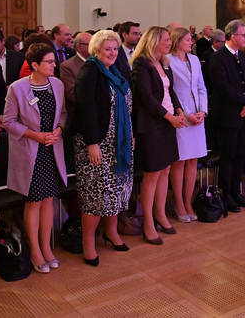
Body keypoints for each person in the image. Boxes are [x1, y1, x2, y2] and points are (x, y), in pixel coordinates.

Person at [3, 43, 67, 273]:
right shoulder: (17, 88)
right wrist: (35, 135)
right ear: (35, 65)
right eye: (49, 62)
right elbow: (8, 122)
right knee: (34, 201)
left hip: (52, 148)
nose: (54, 65)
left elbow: (63, 113)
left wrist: (59, 129)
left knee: (49, 198)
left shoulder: (57, 85)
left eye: (53, 61)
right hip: (31, 151)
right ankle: (35, 250)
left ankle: (47, 246)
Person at [72, 31, 134, 265]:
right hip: (96, 143)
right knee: (95, 194)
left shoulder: (114, 71)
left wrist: (131, 136)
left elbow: (127, 107)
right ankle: (88, 242)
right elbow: (86, 109)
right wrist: (92, 143)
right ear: (96, 49)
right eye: (107, 49)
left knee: (115, 190)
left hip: (117, 143)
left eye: (115, 49)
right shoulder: (90, 71)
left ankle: (112, 232)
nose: (112, 53)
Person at [131, 27, 186, 243]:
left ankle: (161, 214)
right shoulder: (141, 64)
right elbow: (145, 97)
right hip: (152, 125)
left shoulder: (164, 63)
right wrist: (169, 117)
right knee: (153, 173)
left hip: (167, 122)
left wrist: (179, 110)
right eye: (165, 40)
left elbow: (170, 91)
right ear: (153, 41)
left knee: (166, 169)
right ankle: (147, 222)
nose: (168, 43)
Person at [209, 20, 245, 212]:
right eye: (244, 35)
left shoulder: (243, 57)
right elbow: (223, 88)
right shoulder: (219, 58)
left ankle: (237, 192)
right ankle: (227, 193)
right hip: (229, 116)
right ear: (233, 37)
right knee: (228, 155)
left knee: (241, 154)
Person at [167, 28, 208, 221]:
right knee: (180, 160)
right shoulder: (169, 61)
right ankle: (179, 203)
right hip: (182, 116)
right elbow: (172, 91)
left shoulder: (193, 60)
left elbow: (201, 86)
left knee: (193, 160)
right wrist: (188, 114)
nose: (191, 42)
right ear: (177, 41)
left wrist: (203, 111)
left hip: (197, 116)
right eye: (187, 39)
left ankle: (188, 200)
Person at [199, 29, 225, 95]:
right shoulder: (206, 55)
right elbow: (206, 73)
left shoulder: (224, 54)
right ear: (215, 42)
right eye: (223, 42)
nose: (225, 44)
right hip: (212, 90)